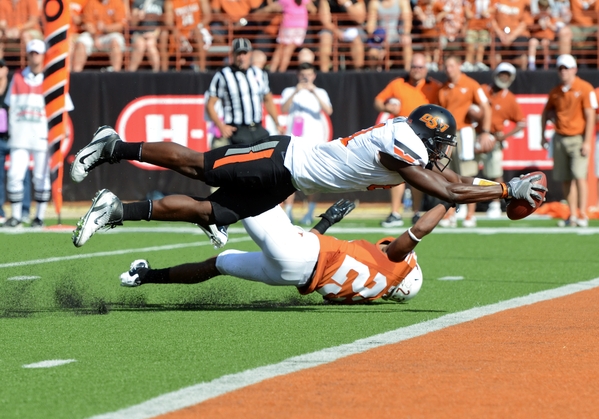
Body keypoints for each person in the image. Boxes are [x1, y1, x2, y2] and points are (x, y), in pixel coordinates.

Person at [69, 104, 546, 249]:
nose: (443, 155)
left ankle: (116, 209)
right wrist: (504, 187)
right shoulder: (403, 140)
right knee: (198, 165)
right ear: (427, 134)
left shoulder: (409, 141)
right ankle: (113, 145)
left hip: (289, 181)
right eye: (441, 145)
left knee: (214, 211)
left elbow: (451, 187)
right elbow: (446, 190)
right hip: (280, 158)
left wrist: (500, 188)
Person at [118, 198, 456, 305]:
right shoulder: (368, 293)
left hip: (301, 253)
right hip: (289, 272)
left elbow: (417, 230)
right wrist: (325, 224)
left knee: (248, 194)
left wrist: (449, 200)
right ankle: (145, 277)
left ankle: (217, 221)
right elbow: (320, 266)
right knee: (218, 265)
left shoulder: (395, 265)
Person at [4, 40, 73, 228]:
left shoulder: (53, 79)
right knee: (15, 175)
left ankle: (39, 217)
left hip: (43, 137)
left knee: (41, 178)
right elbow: (9, 104)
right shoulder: (17, 77)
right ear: (27, 55)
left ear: (44, 55)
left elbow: (65, 110)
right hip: (20, 136)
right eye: (32, 53)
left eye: (38, 53)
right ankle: (16, 216)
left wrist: (61, 133)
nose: (35, 57)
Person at [373, 53, 434, 227]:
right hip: (401, 134)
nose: (417, 70)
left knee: (418, 175)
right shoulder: (398, 84)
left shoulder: (433, 86)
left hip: (422, 136)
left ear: (426, 69)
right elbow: (377, 101)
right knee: (397, 173)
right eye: (414, 66)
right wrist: (386, 106)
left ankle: (416, 212)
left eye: (420, 67)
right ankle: (395, 212)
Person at [541, 54, 597, 227]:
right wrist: (542, 135)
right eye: (560, 68)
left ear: (574, 69)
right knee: (565, 178)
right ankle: (571, 215)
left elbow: (590, 116)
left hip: (578, 138)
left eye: (566, 68)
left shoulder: (585, 88)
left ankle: (582, 214)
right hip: (559, 137)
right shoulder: (556, 91)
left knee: (580, 176)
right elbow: (546, 112)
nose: (563, 71)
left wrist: (587, 141)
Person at [438, 55, 493, 228]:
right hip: (447, 135)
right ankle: (450, 212)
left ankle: (470, 213)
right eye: (446, 66)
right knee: (446, 174)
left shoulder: (471, 84)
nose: (449, 69)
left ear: (459, 66)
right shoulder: (443, 88)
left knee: (468, 173)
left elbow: (485, 106)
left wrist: (485, 132)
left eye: (452, 65)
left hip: (465, 133)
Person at [205, 38, 284, 148]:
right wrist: (221, 126)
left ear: (250, 54)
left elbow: (268, 99)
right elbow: (210, 104)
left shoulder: (259, 74)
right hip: (236, 130)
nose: (241, 57)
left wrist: (277, 123)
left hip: (257, 128)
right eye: (238, 54)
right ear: (233, 55)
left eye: (244, 53)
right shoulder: (223, 75)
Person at [280, 62, 333, 224]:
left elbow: (328, 110)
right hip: (294, 141)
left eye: (309, 74)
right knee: (289, 177)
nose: (305, 77)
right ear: (297, 75)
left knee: (314, 178)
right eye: (303, 74)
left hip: (314, 142)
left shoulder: (320, 92)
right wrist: (296, 91)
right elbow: (283, 109)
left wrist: (314, 91)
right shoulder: (290, 91)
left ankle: (310, 212)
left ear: (314, 76)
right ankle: (288, 211)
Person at [479, 62, 526, 218]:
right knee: (469, 170)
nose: (503, 77)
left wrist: (504, 136)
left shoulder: (509, 98)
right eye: (501, 74)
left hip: (494, 137)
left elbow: (521, 122)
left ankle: (495, 203)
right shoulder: (483, 90)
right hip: (476, 134)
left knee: (495, 172)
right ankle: (463, 204)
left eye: (507, 75)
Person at [71, 0, 127, 72]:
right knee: (81, 42)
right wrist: (95, 37)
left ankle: (116, 72)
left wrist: (105, 28)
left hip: (110, 34)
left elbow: (120, 25)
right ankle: (76, 73)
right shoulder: (91, 2)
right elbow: (87, 23)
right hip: (92, 34)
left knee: (116, 42)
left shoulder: (117, 3)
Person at [318, 0, 367, 72]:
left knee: (357, 42)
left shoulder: (356, 1)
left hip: (352, 30)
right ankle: (324, 73)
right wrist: (337, 32)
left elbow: (360, 19)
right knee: (325, 38)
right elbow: (325, 21)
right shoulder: (326, 1)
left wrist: (346, 4)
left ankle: (357, 72)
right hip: (332, 29)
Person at [163, 0, 211, 72]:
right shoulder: (171, 2)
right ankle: (163, 71)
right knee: (164, 35)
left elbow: (208, 16)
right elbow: (168, 22)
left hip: (198, 30)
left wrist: (198, 27)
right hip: (181, 32)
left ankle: (202, 70)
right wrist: (177, 32)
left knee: (197, 35)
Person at [365, 0, 412, 71]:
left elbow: (407, 20)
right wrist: (378, 40)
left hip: (397, 39)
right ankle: (374, 76)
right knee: (372, 53)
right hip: (380, 39)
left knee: (407, 43)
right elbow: (370, 26)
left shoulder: (402, 2)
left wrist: (405, 34)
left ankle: (408, 72)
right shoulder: (375, 3)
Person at [127, 0, 168, 72]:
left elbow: (165, 23)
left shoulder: (161, 2)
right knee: (140, 45)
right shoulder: (138, 2)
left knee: (150, 45)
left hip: (155, 34)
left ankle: (156, 73)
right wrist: (138, 17)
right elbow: (133, 24)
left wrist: (155, 34)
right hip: (139, 33)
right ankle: (131, 72)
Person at [462, 0, 492, 72]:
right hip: (472, 25)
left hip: (484, 26)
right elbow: (466, 3)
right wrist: (468, 11)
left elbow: (495, 7)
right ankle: (468, 63)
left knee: (481, 45)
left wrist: (488, 11)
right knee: (470, 44)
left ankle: (479, 62)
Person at [528, 0, 558, 70]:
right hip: (537, 37)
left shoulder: (551, 17)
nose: (544, 10)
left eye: (545, 8)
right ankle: (531, 64)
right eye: (542, 7)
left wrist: (549, 24)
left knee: (545, 43)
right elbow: (531, 28)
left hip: (547, 38)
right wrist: (539, 25)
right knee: (532, 42)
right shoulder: (536, 17)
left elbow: (555, 28)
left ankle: (546, 63)